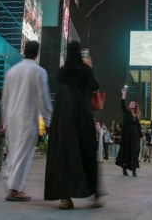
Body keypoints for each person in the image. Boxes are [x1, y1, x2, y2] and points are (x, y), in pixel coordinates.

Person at [44, 41, 102, 210]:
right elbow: (95, 86)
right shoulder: (85, 71)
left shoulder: (62, 72)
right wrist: (89, 66)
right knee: (87, 155)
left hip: (63, 120)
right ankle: (95, 195)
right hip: (82, 119)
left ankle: (65, 198)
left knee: (65, 157)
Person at [3, 41, 53, 202]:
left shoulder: (12, 71)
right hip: (27, 118)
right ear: (37, 54)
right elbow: (43, 98)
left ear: (24, 51)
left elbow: (5, 98)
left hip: (12, 118)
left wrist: (4, 122)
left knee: (14, 152)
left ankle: (14, 184)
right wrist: (47, 121)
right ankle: (15, 189)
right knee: (23, 154)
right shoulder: (39, 71)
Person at [115, 88, 144, 177]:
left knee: (135, 151)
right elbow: (122, 105)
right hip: (127, 136)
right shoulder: (127, 112)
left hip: (135, 136)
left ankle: (134, 170)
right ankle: (124, 169)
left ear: (135, 106)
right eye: (130, 103)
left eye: (132, 103)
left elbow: (138, 127)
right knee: (126, 151)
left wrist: (142, 135)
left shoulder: (136, 116)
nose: (130, 104)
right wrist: (123, 94)